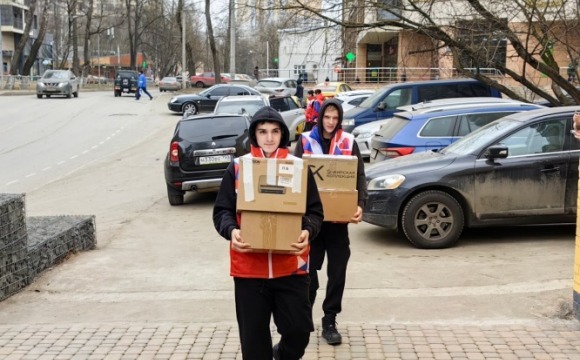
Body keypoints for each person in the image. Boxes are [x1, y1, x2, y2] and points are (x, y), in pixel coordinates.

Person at [213, 106, 324, 360]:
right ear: (254, 135)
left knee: (298, 332)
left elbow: (316, 212)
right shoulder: (239, 168)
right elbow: (222, 211)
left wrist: (308, 230)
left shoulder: (298, 168)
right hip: (249, 270)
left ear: (283, 134)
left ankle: (282, 354)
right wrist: (231, 231)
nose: (269, 138)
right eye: (263, 132)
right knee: (253, 345)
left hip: (291, 267)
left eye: (275, 131)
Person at [294, 98, 367, 346]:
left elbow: (359, 176)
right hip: (311, 225)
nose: (331, 123)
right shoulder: (305, 141)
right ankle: (304, 320)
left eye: (335, 118)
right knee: (308, 276)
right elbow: (293, 175)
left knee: (337, 274)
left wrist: (360, 205)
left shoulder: (348, 142)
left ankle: (329, 320)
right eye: (327, 117)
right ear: (320, 117)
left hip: (338, 224)